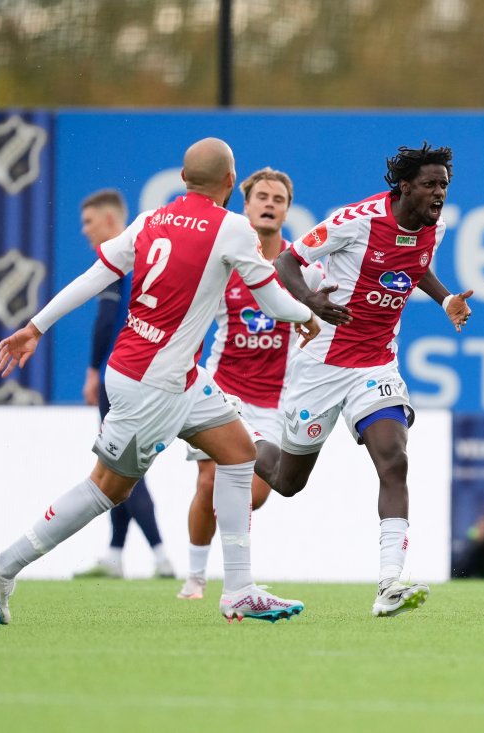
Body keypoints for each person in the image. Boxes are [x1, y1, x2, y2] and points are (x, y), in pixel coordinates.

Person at [0, 138, 319, 625]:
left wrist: (35, 327)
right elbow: (275, 303)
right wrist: (307, 315)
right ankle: (3, 565)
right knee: (107, 489)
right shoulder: (233, 228)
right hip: (154, 384)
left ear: (183, 179)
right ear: (229, 183)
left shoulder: (149, 220)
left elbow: (93, 277)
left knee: (240, 453)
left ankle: (239, 589)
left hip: (171, 375)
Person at [254, 142, 473, 617]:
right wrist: (311, 302)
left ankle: (390, 583)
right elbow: (285, 263)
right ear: (405, 187)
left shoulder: (432, 227)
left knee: (394, 459)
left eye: (445, 186)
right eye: (431, 185)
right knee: (288, 483)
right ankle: (238, 435)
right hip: (321, 367)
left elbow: (413, 268)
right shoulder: (356, 220)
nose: (440, 194)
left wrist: (445, 299)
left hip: (375, 366)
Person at [176, 167, 325, 601]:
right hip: (223, 390)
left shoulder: (301, 271)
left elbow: (326, 310)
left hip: (276, 402)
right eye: (262, 196)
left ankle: (236, 577)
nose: (269, 204)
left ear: (287, 210)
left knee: (256, 492)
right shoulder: (226, 260)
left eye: (278, 199)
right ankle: (197, 576)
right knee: (208, 483)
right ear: (245, 204)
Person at [74, 189, 174, 581]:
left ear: (111, 222)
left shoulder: (115, 259)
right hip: (152, 375)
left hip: (120, 375)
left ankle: (162, 554)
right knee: (119, 465)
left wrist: (92, 370)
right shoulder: (148, 259)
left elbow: (104, 321)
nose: (84, 231)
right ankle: (115, 554)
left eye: (88, 221)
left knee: (121, 468)